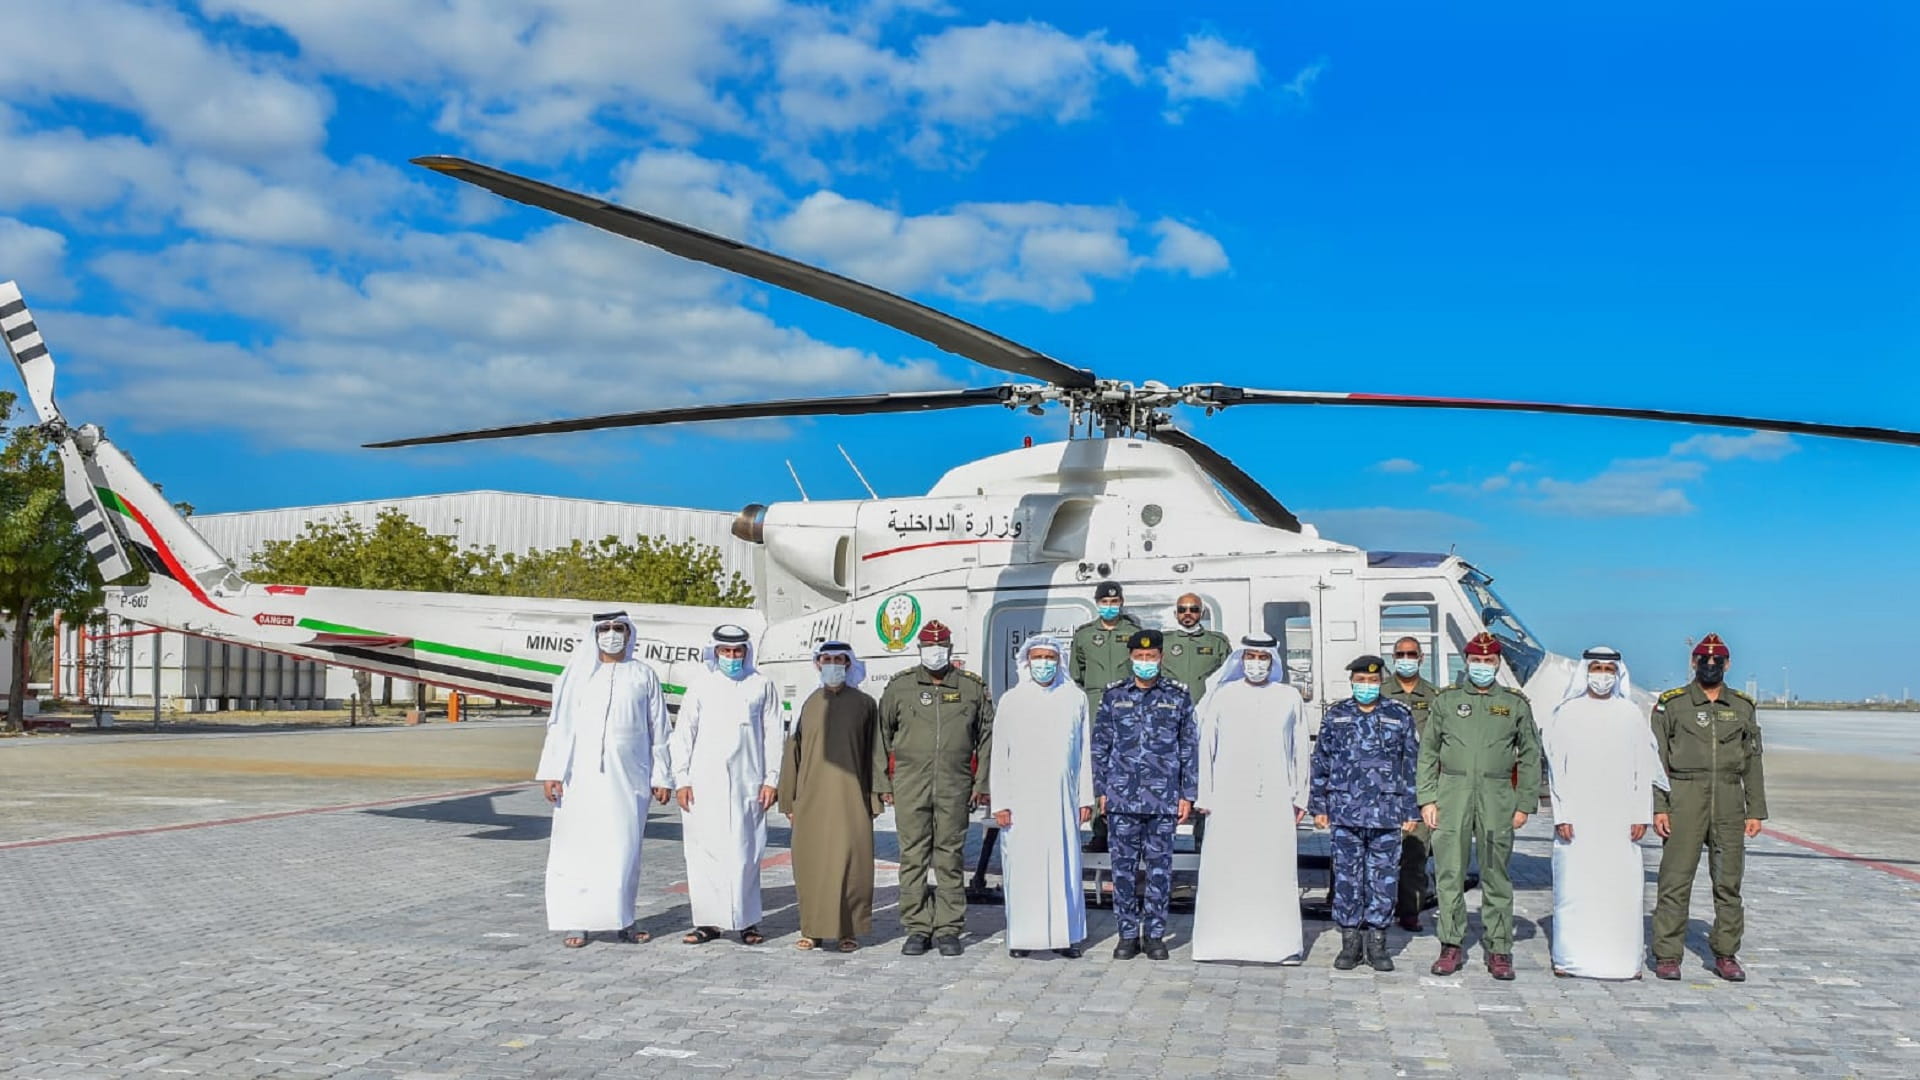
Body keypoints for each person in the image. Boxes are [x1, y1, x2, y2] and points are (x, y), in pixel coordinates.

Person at [534, 611, 672, 949]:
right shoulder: (575, 678)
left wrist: (662, 775)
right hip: (578, 779)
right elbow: (559, 727)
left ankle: (623, 920)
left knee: (623, 851)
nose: (612, 634)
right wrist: (552, 772)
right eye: (605, 628)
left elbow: (660, 731)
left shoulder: (643, 675)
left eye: (618, 628)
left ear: (629, 633)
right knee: (579, 850)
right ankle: (577, 922)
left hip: (629, 778)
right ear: (594, 633)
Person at [1419, 632, 1541, 980]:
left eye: (1489, 661)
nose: (1483, 666)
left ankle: (1499, 948)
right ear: (1466, 661)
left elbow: (1530, 756)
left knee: (1495, 874)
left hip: (1497, 793)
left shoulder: (1516, 704)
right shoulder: (1447, 701)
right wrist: (1427, 798)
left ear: (1498, 663)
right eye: (1476, 660)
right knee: (1449, 872)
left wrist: (1524, 803)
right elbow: (1428, 752)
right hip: (1452, 792)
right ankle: (1450, 945)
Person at [1543, 646, 1668, 980]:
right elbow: (1557, 769)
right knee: (1576, 888)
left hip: (1619, 819)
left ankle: (1623, 961)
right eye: (1595, 667)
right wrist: (1561, 814)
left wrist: (1641, 813)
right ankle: (1570, 959)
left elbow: (1644, 766)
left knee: (1620, 890)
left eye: (1608, 669)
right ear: (1585, 671)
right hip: (1578, 818)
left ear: (1618, 674)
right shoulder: (1566, 713)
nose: (1601, 675)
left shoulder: (1630, 714)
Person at [1649, 633, 1766, 982]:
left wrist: (1755, 809)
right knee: (1674, 880)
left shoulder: (1742, 707)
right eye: (1704, 660)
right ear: (1693, 662)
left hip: (1729, 798)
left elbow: (1753, 761)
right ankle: (1667, 954)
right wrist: (1659, 806)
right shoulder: (1672, 704)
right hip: (1685, 794)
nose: (1710, 666)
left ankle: (1726, 953)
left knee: (1728, 882)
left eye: (1717, 661)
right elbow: (1657, 761)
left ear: (1728, 664)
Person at [1192, 634, 1312, 964]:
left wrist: (1301, 796)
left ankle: (1278, 945)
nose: (1256, 663)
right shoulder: (1223, 696)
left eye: (1263, 657)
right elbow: (1206, 747)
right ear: (1240, 659)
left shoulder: (1289, 697)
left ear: (1273, 661)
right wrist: (1206, 795)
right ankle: (1219, 943)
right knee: (1228, 869)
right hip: (1228, 798)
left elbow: (1301, 748)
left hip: (1275, 797)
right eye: (1251, 656)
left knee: (1273, 870)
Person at [877, 621, 994, 957]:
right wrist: (883, 782)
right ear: (919, 650)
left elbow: (986, 737)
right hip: (911, 784)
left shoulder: (971, 688)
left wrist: (982, 782)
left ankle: (948, 928)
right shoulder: (901, 687)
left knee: (950, 856)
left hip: (955, 784)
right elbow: (882, 737)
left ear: (950, 648)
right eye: (929, 647)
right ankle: (917, 927)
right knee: (912, 856)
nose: (935, 652)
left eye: (940, 646)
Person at [669, 624, 783, 946]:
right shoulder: (701, 686)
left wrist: (771, 779)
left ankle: (747, 922)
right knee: (705, 852)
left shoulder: (761, 686)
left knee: (745, 852)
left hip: (749, 782)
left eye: (737, 652)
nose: (732, 658)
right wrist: (681, 779)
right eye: (725, 652)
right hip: (704, 784)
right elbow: (683, 736)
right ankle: (708, 922)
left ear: (746, 652)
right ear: (715, 652)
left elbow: (774, 735)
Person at [1308, 655, 1421, 972]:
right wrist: (1318, 805)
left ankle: (1378, 943)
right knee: (1346, 879)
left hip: (1386, 812)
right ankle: (1350, 943)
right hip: (1345, 811)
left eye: (1372, 681)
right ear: (1352, 681)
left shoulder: (1399, 715)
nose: (1366, 686)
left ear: (1381, 681)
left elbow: (1411, 765)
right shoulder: (1337, 715)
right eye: (1361, 680)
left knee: (1383, 880)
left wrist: (1411, 809)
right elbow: (1322, 762)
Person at [1093, 628, 1197, 961]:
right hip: (1122, 797)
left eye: (1151, 657)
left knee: (1159, 870)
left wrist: (1188, 793)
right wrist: (1101, 789)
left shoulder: (1178, 696)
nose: (1145, 662)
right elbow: (1100, 745)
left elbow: (1188, 747)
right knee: (1122, 870)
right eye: (1140, 657)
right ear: (1131, 657)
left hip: (1163, 797)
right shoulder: (1113, 695)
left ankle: (1154, 935)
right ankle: (1126, 934)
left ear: (1161, 657)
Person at [989, 635, 1093, 959]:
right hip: (1021, 799)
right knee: (1024, 866)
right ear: (1026, 661)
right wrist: (1001, 802)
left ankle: (1065, 936)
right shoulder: (1011, 700)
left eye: (1050, 656)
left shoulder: (1075, 698)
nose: (1044, 663)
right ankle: (1023, 937)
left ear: (1059, 661)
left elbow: (1084, 751)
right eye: (1038, 657)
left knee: (1064, 866)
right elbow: (999, 754)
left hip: (1062, 799)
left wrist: (1085, 797)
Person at [778, 641, 885, 953]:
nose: (833, 664)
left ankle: (847, 931)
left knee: (852, 864)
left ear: (849, 664)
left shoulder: (865, 704)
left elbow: (875, 752)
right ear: (817, 663)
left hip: (852, 797)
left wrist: (875, 796)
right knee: (812, 864)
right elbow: (791, 752)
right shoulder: (807, 703)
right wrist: (789, 799)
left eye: (839, 659)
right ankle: (812, 930)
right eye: (827, 659)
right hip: (810, 798)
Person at [1071, 580, 1139, 853]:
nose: (1110, 607)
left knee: (1129, 767)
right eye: (1104, 602)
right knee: (1098, 769)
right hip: (1095, 705)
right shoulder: (1084, 635)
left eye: (1114, 602)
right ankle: (1100, 831)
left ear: (1121, 602)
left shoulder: (1134, 632)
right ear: (1097, 603)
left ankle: (1128, 830)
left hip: (1128, 707)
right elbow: (1077, 674)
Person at [1384, 636, 1441, 933]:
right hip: (1381, 785)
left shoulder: (1434, 696)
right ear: (1393, 657)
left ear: (1421, 657)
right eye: (1400, 653)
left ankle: (1410, 911)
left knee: (1416, 853)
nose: (1406, 658)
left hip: (1419, 785)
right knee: (1379, 851)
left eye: (1411, 654)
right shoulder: (1379, 692)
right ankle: (1377, 908)